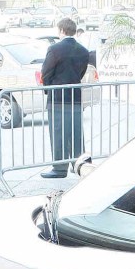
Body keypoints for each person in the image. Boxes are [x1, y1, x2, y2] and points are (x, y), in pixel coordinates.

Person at [40, 18, 89, 179]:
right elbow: (81, 73)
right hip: (75, 96)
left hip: (58, 97)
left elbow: (46, 72)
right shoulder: (83, 50)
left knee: (59, 132)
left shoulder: (54, 49)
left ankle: (59, 168)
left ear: (61, 30)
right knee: (76, 132)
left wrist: (48, 88)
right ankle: (80, 165)